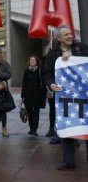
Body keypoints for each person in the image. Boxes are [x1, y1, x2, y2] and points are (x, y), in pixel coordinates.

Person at [42, 25, 88, 170]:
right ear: (59, 38)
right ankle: (68, 161)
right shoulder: (53, 53)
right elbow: (47, 73)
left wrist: (73, 59)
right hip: (65, 97)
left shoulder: (81, 48)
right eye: (66, 34)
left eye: (71, 33)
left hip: (83, 95)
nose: (70, 36)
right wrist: (51, 85)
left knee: (86, 124)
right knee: (67, 125)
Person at [21, 55, 46, 136]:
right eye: (31, 60)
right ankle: (31, 128)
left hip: (37, 95)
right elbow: (24, 84)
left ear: (36, 62)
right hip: (28, 96)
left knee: (36, 113)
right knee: (30, 113)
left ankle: (34, 129)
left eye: (33, 60)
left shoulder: (40, 70)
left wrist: (43, 94)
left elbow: (43, 83)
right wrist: (23, 95)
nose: (32, 62)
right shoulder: (26, 71)